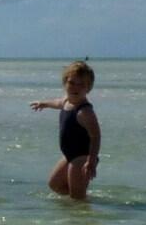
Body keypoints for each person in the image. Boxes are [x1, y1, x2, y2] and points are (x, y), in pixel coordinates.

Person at [30, 59, 100, 200]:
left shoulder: (84, 112)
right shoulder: (66, 102)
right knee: (54, 184)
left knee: (77, 198)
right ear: (65, 83)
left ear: (88, 88)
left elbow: (96, 136)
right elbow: (57, 103)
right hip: (69, 154)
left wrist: (91, 161)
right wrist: (44, 103)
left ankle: (82, 216)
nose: (75, 88)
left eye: (81, 85)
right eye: (72, 83)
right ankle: (81, 203)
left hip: (82, 157)